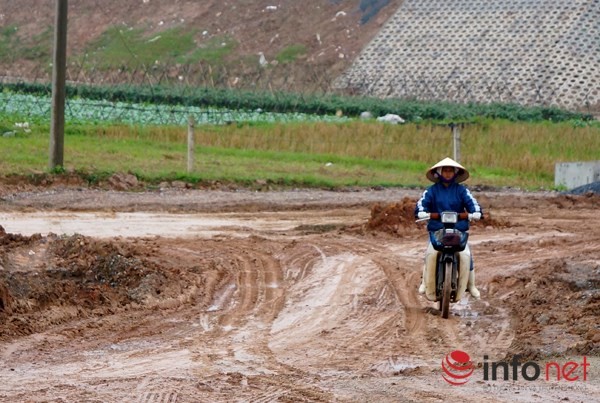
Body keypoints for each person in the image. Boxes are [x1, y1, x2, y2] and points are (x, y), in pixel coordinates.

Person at [414, 157, 482, 299]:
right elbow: (422, 204)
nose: (448, 173)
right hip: (437, 229)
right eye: (445, 170)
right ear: (439, 172)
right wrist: (422, 212)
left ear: (455, 173)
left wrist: (475, 212)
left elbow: (473, 204)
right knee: (430, 253)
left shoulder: (462, 191)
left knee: (466, 254)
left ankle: (471, 284)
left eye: (450, 171)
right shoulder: (432, 191)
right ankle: (425, 282)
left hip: (458, 229)